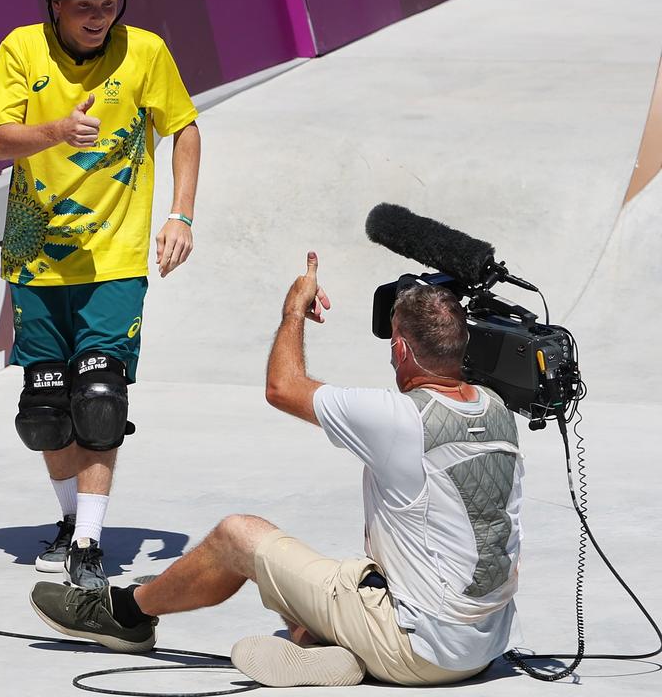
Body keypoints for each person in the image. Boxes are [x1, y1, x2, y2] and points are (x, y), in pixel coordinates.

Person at [29, 253, 523, 687]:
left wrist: (294, 309)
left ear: (400, 349)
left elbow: (282, 386)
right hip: (481, 647)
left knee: (238, 537)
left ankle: (122, 614)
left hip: (418, 651)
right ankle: (326, 648)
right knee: (322, 578)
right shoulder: (499, 410)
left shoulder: (397, 419)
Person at [0, 0, 201, 590]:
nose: (97, 19)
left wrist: (180, 215)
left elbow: (183, 128)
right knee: (46, 409)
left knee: (100, 398)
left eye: (107, 7)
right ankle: (69, 517)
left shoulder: (146, 52)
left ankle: (88, 543)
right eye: (84, 9)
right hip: (35, 257)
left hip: (115, 258)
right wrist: (54, 131)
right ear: (55, 5)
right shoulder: (21, 50)